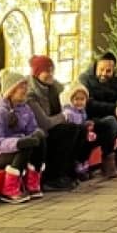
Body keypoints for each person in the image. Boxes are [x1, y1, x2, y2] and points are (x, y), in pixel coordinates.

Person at [0, 69, 47, 204]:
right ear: (11, 90)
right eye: (21, 87)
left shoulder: (25, 109)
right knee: (25, 145)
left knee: (39, 138)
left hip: (20, 145)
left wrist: (35, 135)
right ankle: (9, 189)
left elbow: (32, 129)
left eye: (26, 87)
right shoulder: (1, 113)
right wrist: (18, 142)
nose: (25, 90)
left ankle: (32, 182)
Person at [24, 54, 79, 191]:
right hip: (38, 132)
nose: (50, 74)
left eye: (52, 70)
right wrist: (64, 116)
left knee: (78, 129)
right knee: (67, 130)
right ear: (37, 72)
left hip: (51, 129)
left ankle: (68, 173)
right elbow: (44, 123)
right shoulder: (30, 94)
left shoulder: (53, 89)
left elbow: (56, 115)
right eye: (46, 71)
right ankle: (50, 178)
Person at [61, 82, 98, 181]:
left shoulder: (82, 112)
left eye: (82, 99)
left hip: (82, 136)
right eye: (76, 99)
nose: (79, 102)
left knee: (91, 141)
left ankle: (84, 165)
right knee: (82, 147)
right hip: (74, 139)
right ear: (71, 100)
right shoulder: (69, 113)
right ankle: (78, 168)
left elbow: (83, 123)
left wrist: (87, 124)